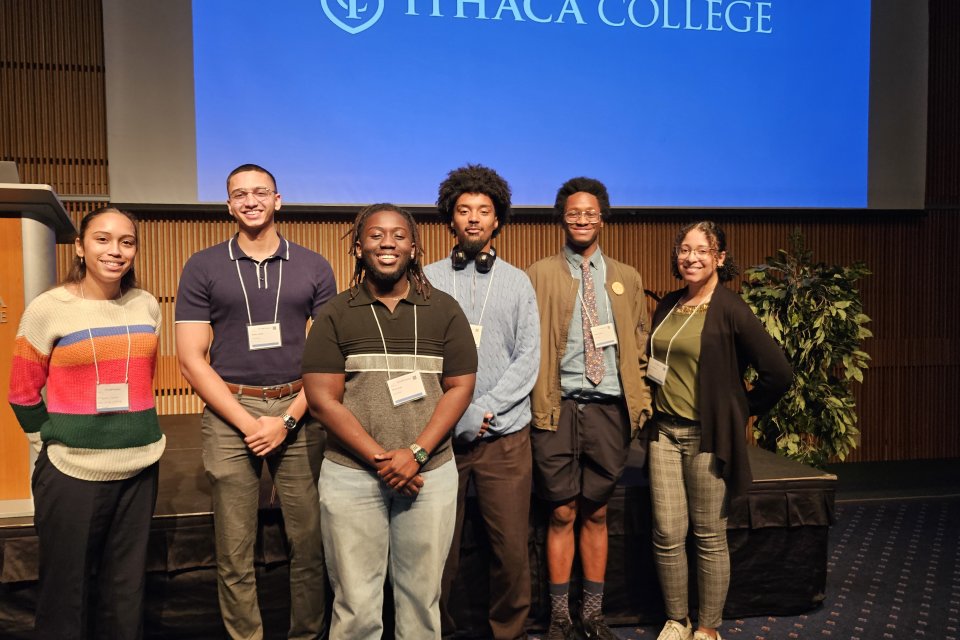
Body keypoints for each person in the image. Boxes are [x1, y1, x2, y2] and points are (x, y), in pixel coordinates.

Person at [302, 203, 477, 640]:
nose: (387, 243)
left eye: (399, 235)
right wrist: (384, 460)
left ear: (413, 247)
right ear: (358, 247)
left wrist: (416, 454)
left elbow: (460, 387)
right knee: (355, 606)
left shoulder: (445, 310)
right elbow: (322, 400)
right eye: (376, 235)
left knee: (421, 602)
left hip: (429, 475)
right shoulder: (336, 313)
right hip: (352, 476)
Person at [175, 164, 335, 640]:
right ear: (229, 205)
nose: (250, 200)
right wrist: (250, 424)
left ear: (277, 200)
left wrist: (286, 421)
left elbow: (330, 359)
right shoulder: (203, 266)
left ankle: (307, 634)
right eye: (240, 194)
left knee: (309, 544)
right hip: (232, 414)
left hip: (300, 410)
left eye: (260, 192)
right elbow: (190, 360)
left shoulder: (313, 266)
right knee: (234, 549)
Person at [8, 207, 164, 639]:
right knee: (65, 593)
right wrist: (51, 442)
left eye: (127, 242)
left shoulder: (146, 305)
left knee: (126, 592)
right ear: (79, 246)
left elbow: (142, 380)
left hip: (140, 467)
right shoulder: (48, 308)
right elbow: (22, 393)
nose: (116, 251)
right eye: (102, 239)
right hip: (72, 471)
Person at [648, 222, 792, 640]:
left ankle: (708, 628)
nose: (690, 257)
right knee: (667, 533)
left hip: (708, 438)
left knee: (709, 535)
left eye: (701, 250)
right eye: (684, 249)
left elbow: (779, 374)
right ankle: (677, 620)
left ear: (720, 258)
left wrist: (740, 408)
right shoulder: (669, 304)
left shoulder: (731, 308)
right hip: (663, 434)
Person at [526, 177, 653, 640]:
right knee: (561, 512)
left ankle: (593, 615)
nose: (582, 219)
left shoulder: (626, 277)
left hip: (607, 410)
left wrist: (641, 401)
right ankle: (560, 617)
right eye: (574, 212)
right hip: (556, 408)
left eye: (590, 212)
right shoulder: (537, 274)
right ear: (562, 218)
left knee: (596, 512)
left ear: (603, 218)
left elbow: (639, 343)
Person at [424, 165, 540, 640]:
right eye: (463, 210)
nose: (473, 218)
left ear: (497, 220)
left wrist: (483, 410)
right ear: (450, 219)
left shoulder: (518, 282)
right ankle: (437, 631)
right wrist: (456, 414)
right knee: (437, 550)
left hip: (504, 438)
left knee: (511, 550)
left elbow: (528, 358)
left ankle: (508, 633)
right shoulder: (426, 280)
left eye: (483, 211)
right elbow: (421, 358)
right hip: (440, 437)